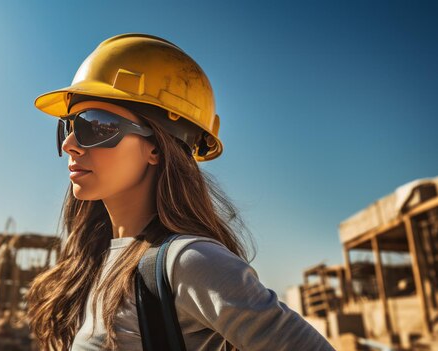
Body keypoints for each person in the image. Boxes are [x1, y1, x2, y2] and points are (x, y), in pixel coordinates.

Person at [26, 33, 335, 351]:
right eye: (69, 125)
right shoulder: (95, 258)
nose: (69, 144)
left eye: (96, 125)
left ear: (157, 147)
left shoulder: (188, 261)